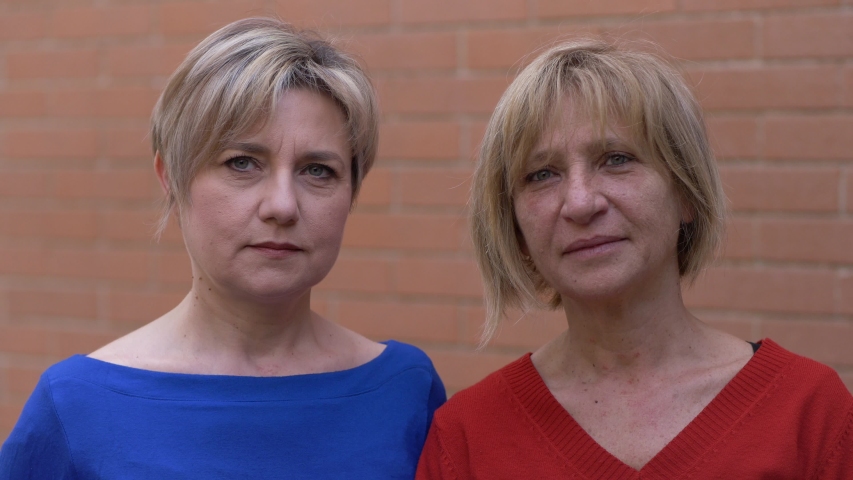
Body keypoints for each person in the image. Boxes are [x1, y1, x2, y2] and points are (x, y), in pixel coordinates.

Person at [1, 17, 445, 479]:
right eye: (243, 162)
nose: (282, 205)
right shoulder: (77, 406)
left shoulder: (404, 390)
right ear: (170, 177)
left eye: (318, 170)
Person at [416, 39, 853, 479]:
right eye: (541, 175)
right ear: (516, 229)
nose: (581, 203)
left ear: (685, 191)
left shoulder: (809, 413)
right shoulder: (468, 437)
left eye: (617, 159)